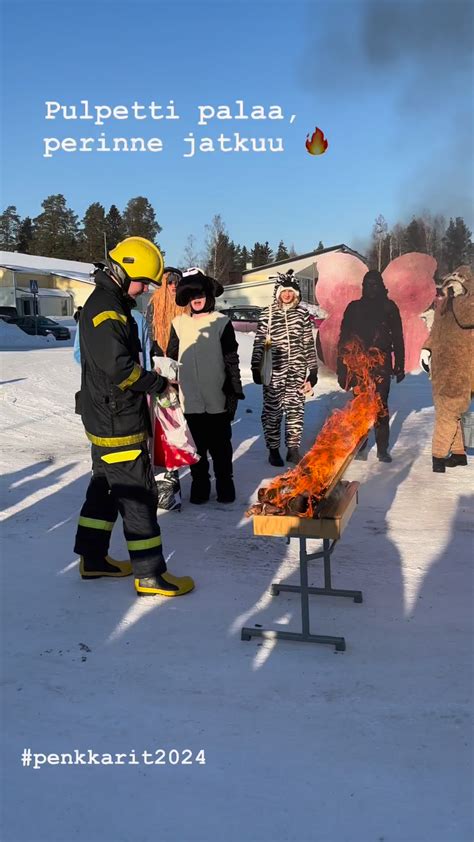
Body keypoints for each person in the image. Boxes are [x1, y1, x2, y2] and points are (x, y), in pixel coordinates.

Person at [73, 236, 194, 597]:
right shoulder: (107, 310)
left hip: (104, 417)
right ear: (123, 272)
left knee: (105, 488)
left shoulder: (109, 302)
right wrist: (157, 383)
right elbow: (120, 368)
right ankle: (150, 574)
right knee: (137, 495)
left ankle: (93, 559)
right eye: (142, 281)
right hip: (117, 421)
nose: (145, 289)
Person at [167, 268, 244, 504]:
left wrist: (234, 389)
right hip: (189, 398)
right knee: (196, 447)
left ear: (208, 296)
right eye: (192, 296)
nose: (196, 300)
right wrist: (167, 384)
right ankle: (200, 484)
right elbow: (171, 357)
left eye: (199, 295)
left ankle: (225, 484)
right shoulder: (178, 323)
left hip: (216, 396)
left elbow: (231, 357)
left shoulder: (221, 322)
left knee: (221, 448)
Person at [336, 269, 405, 463]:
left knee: (381, 405)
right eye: (368, 284)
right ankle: (360, 444)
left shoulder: (389, 307)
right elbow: (343, 339)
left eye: (375, 284)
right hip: (357, 363)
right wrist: (341, 369)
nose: (371, 288)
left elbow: (398, 337)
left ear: (381, 286)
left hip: (381, 363)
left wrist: (399, 364)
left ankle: (382, 448)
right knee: (360, 405)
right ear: (363, 287)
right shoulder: (353, 308)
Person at [251, 272, 318, 467]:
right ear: (278, 293)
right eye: (284, 291)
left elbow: (308, 343)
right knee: (272, 411)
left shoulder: (302, 315)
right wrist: (256, 366)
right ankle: (273, 449)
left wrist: (312, 371)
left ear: (295, 293)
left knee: (295, 410)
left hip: (296, 372)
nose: (287, 295)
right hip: (273, 372)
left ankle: (293, 449)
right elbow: (259, 343)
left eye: (290, 291)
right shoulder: (268, 313)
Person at [421, 265, 474, 473]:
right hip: (442, 369)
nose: (450, 292)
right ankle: (459, 453)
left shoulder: (467, 304)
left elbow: (467, 317)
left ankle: (438, 456)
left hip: (460, 369)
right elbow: (436, 332)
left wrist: (461, 295)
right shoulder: (444, 307)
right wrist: (426, 349)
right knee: (450, 411)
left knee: (448, 412)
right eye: (449, 288)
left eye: (455, 287)